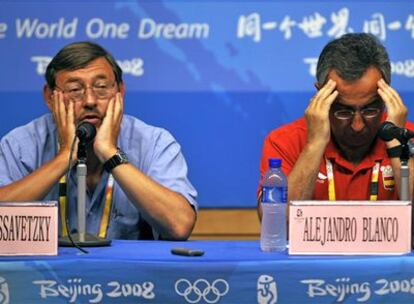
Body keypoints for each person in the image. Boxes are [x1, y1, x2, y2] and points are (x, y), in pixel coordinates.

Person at [0, 41, 197, 240]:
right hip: (43, 271)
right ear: (50, 97)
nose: (90, 101)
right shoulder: (20, 146)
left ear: (120, 91)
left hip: (125, 271)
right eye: (75, 90)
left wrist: (110, 153)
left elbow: (179, 226)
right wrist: (63, 157)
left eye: (101, 87)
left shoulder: (153, 143)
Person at [258, 33, 414, 214]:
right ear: (320, 95)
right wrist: (314, 144)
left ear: (386, 94)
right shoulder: (284, 141)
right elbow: (276, 222)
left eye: (370, 110)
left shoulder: (408, 137)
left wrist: (396, 141)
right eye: (344, 111)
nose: (358, 125)